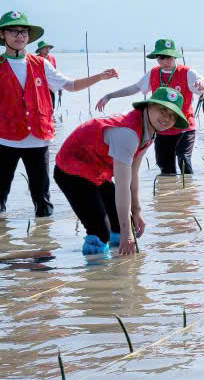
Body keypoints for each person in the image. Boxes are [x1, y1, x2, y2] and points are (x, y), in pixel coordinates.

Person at [0, 11, 118, 218]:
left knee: (43, 202)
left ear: (28, 37)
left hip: (38, 143)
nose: (19, 36)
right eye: (13, 31)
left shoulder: (41, 64)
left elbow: (71, 85)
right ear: (3, 35)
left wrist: (99, 77)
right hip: (5, 141)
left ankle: (44, 245)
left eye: (23, 32)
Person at [54, 86, 189, 255]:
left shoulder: (149, 131)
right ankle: (96, 273)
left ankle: (121, 268)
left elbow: (132, 176)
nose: (166, 118)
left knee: (123, 223)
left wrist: (137, 212)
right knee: (100, 232)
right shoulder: (128, 133)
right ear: (148, 106)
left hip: (97, 172)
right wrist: (127, 234)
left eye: (172, 115)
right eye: (163, 110)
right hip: (71, 170)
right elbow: (122, 185)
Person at [95, 38, 204, 176]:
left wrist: (201, 83)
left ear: (175, 56)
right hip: (162, 127)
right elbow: (134, 88)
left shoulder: (186, 72)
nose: (165, 62)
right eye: (161, 58)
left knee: (183, 159)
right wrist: (110, 95)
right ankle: (170, 195)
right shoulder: (153, 73)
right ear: (156, 58)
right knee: (166, 168)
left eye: (169, 57)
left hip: (184, 126)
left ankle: (189, 194)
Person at [36, 40, 58, 105]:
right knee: (41, 105)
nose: (47, 49)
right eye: (45, 48)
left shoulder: (52, 58)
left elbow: (55, 73)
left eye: (48, 47)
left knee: (52, 105)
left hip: (51, 86)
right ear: (40, 50)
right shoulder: (36, 59)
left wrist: (59, 88)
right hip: (40, 87)